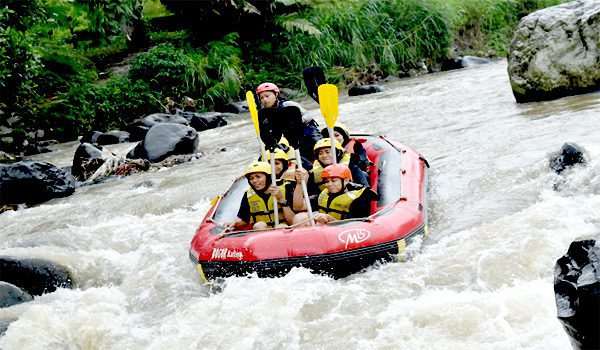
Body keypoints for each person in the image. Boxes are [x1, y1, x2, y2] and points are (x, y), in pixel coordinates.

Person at [256, 82, 322, 167]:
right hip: (291, 136)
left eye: (267, 96)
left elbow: (308, 115)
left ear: (276, 94)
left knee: (316, 146)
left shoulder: (288, 105)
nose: (264, 99)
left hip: (308, 130)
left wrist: (298, 122)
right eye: (261, 98)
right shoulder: (265, 114)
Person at [292, 163, 377, 225]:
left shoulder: (360, 198)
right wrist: (299, 184)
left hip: (345, 236)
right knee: (299, 217)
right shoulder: (325, 193)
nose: (329, 184)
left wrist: (330, 219)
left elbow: (358, 226)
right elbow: (298, 207)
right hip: (326, 231)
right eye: (327, 181)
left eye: (334, 181)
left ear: (346, 180)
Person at [230, 161, 296, 230]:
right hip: (262, 235)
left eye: (258, 177)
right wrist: (233, 224)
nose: (254, 181)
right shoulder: (248, 195)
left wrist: (281, 200)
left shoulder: (286, 189)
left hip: (284, 230)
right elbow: (244, 219)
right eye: (251, 178)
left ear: (268, 177)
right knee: (259, 225)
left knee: (281, 227)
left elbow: (292, 221)